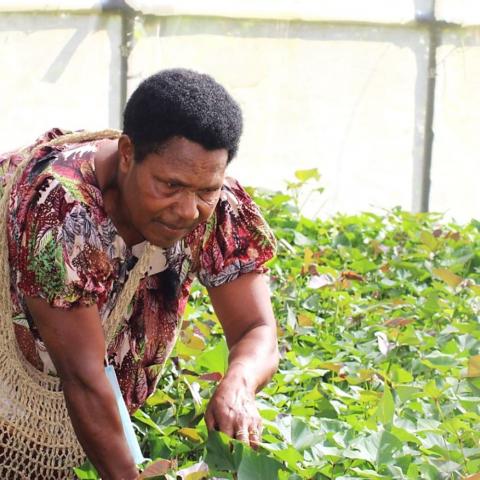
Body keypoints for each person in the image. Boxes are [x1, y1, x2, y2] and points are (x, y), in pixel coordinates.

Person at [1, 69, 278, 479]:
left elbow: (256, 327)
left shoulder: (217, 204)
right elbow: (83, 375)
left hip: (87, 398)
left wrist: (238, 385)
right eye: (170, 185)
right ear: (127, 153)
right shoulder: (61, 206)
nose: (188, 210)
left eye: (206, 190)